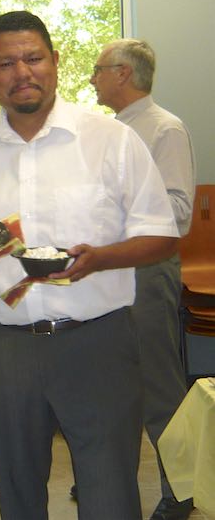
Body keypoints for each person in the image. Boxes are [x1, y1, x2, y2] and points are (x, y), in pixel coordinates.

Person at [0, 10, 179, 520]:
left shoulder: (111, 141)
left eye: (32, 58)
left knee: (111, 490)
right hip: (4, 348)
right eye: (5, 63)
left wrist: (100, 260)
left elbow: (162, 235)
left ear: (55, 62)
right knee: (17, 489)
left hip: (99, 342)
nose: (21, 72)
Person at [90, 38, 195, 520]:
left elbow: (178, 215)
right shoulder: (111, 132)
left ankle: (182, 490)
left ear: (122, 74)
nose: (92, 78)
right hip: (110, 272)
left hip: (148, 273)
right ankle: (114, 479)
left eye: (98, 70)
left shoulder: (163, 129)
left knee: (158, 385)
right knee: (113, 383)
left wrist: (110, 217)